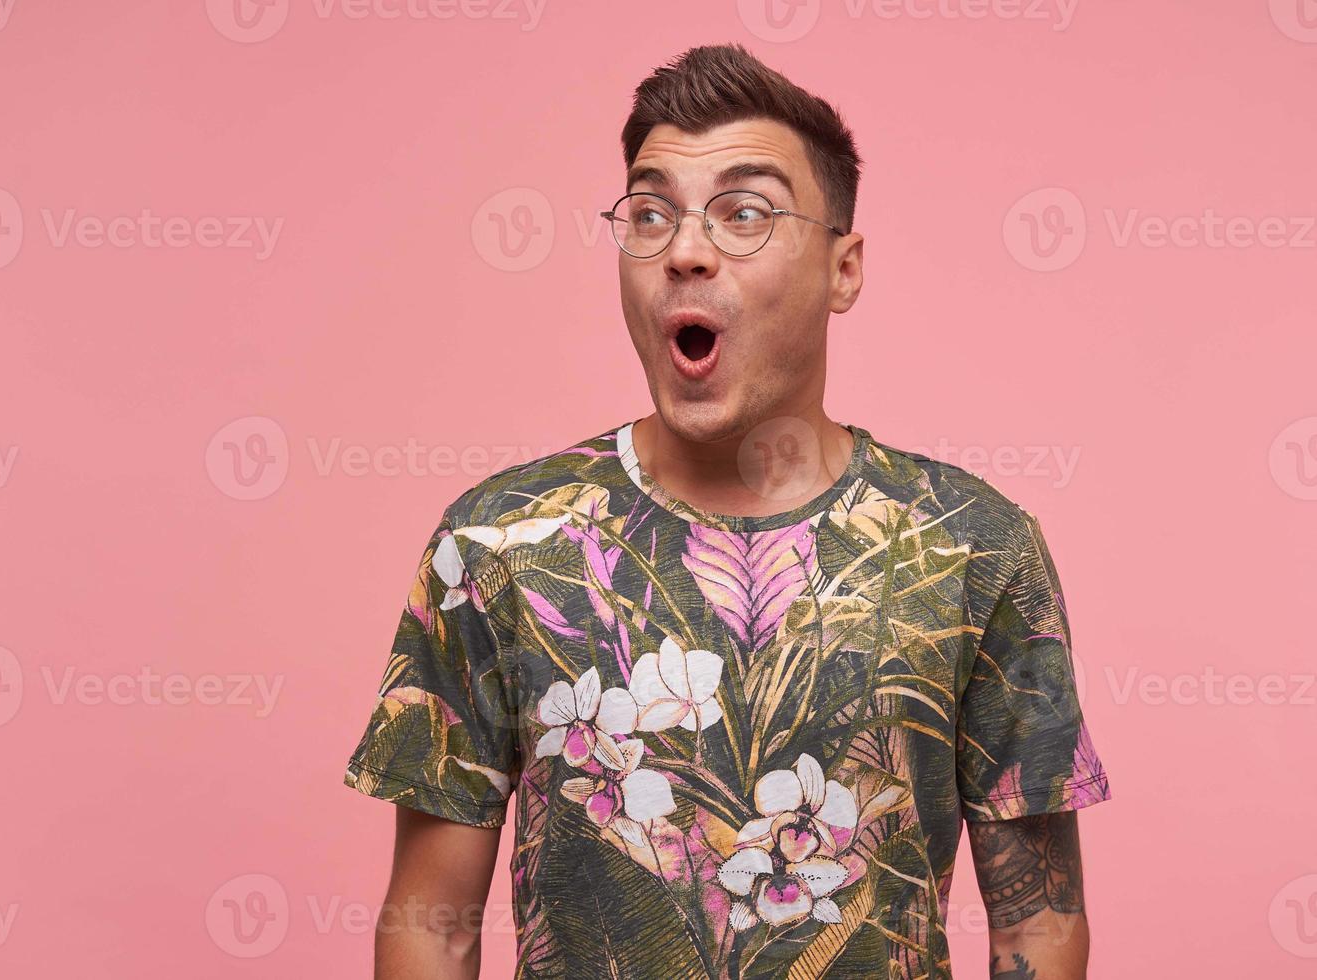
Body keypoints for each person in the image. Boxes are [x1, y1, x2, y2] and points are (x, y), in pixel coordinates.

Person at [343, 42, 1110, 980]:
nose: (686, 250)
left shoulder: (972, 548)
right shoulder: (497, 546)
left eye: (745, 211)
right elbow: (432, 922)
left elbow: (1038, 922)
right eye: (651, 212)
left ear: (844, 269)